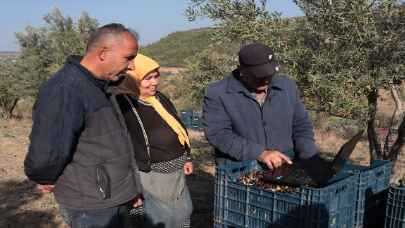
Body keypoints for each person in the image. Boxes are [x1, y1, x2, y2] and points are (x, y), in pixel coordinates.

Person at [24, 23, 143, 228]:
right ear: (103, 53)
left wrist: (130, 189)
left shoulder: (99, 85)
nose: (132, 65)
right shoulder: (66, 89)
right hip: (92, 204)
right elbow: (46, 150)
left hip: (111, 196)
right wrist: (44, 176)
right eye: (129, 58)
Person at [108, 54, 193, 227]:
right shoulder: (124, 105)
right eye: (147, 78)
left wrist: (187, 157)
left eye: (156, 76)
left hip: (176, 173)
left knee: (182, 213)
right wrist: (131, 186)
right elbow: (120, 147)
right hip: (150, 176)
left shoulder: (159, 99)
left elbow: (178, 128)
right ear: (133, 79)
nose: (154, 82)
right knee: (159, 218)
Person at [202, 42, 318, 169]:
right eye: (259, 75)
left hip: (285, 164)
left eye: (269, 74)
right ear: (241, 70)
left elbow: (301, 126)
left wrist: (309, 157)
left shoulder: (287, 86)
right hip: (240, 168)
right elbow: (218, 135)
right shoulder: (218, 93)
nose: (266, 80)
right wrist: (260, 153)